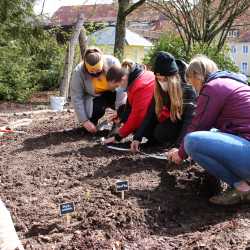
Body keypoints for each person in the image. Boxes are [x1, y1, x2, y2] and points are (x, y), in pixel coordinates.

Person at [168, 55, 250, 205]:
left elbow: (198, 125)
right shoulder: (231, 82)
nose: (194, 88)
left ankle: (242, 187)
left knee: (192, 141)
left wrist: (180, 154)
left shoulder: (212, 87)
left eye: (193, 83)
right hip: (245, 145)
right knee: (209, 135)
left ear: (197, 76)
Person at [130, 51, 196, 152]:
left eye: (164, 80)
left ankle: (172, 143)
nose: (161, 83)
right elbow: (150, 113)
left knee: (161, 132)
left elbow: (189, 121)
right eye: (158, 79)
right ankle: (158, 143)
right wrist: (137, 137)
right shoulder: (159, 90)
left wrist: (179, 147)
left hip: (181, 126)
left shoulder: (187, 90)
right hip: (171, 121)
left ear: (172, 79)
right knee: (145, 128)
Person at [70, 47, 126, 133]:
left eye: (98, 71)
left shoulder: (112, 62)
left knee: (124, 107)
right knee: (96, 108)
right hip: (95, 97)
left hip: (114, 93)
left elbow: (121, 89)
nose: (96, 73)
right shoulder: (78, 72)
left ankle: (118, 124)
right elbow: (76, 97)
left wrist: (120, 111)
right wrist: (84, 121)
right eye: (92, 72)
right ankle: (91, 123)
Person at [103, 60, 155, 143]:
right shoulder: (133, 79)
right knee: (121, 110)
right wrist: (120, 116)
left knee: (146, 129)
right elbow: (130, 106)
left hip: (161, 119)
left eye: (117, 85)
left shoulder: (140, 86)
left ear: (123, 79)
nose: (118, 88)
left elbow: (137, 115)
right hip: (152, 112)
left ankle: (155, 140)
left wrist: (118, 136)